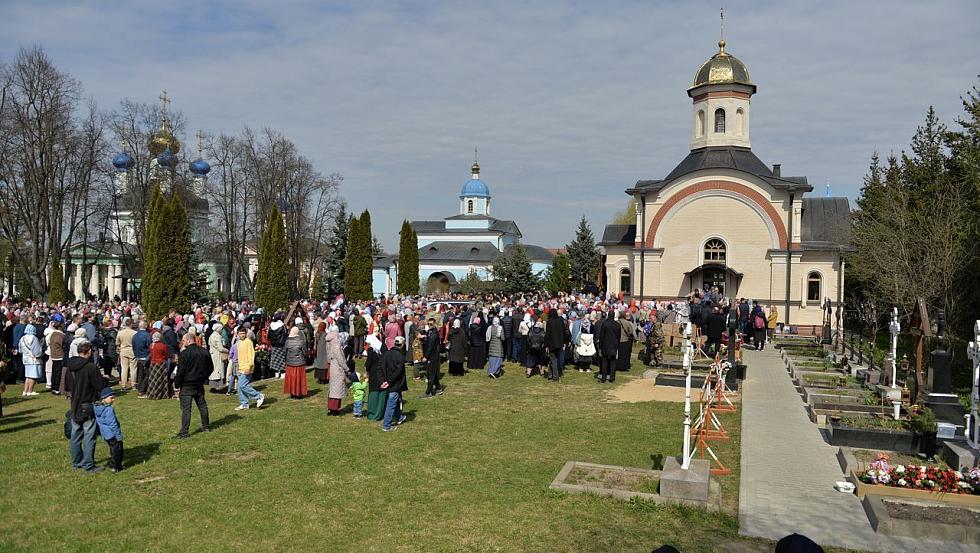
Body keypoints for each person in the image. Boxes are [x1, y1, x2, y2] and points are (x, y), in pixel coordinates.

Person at [67, 342, 105, 472]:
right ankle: (88, 465)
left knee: (75, 434)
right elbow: (99, 386)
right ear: (88, 352)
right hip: (88, 403)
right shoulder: (90, 367)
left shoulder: (70, 367)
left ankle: (77, 462)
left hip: (75, 404)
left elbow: (67, 385)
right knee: (89, 435)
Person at [174, 334, 211, 439]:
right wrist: (204, 377)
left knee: (186, 409)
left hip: (187, 385)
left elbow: (180, 371)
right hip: (199, 383)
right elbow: (210, 367)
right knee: (202, 406)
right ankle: (206, 427)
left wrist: (177, 384)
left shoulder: (185, 354)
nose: (182, 342)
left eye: (183, 340)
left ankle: (184, 432)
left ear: (188, 341)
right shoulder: (204, 351)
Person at [234, 326, 265, 410]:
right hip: (240, 367)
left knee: (243, 385)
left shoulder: (248, 342)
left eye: (244, 333)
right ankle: (244, 403)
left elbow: (251, 355)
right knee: (240, 387)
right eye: (240, 334)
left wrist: (249, 366)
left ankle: (258, 396)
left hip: (247, 367)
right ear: (238, 334)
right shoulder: (239, 342)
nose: (242, 335)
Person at [94, 387, 124, 472]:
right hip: (112, 434)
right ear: (104, 398)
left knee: (112, 448)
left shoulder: (97, 407)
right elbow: (112, 423)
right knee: (117, 450)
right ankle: (115, 466)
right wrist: (118, 435)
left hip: (105, 434)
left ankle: (114, 464)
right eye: (111, 398)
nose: (113, 400)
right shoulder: (108, 409)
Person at [381, 336, 408, 432]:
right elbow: (398, 372)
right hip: (395, 383)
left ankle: (399, 417)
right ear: (402, 344)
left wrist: (385, 380)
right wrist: (389, 381)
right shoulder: (400, 356)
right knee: (391, 403)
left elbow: (382, 367)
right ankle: (386, 425)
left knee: (397, 400)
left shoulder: (387, 354)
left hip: (389, 381)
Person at [324, 326, 349, 415]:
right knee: (337, 389)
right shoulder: (336, 342)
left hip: (332, 365)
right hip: (337, 367)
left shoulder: (328, 341)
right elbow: (340, 357)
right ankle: (334, 409)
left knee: (332, 388)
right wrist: (346, 368)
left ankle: (331, 409)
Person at [364, 335, 387, 421]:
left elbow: (368, 364)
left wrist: (367, 369)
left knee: (374, 395)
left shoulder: (371, 350)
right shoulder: (382, 348)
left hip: (374, 375)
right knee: (381, 395)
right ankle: (380, 413)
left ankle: (373, 414)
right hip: (382, 374)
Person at [283, 326, 308, 399]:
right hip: (299, 362)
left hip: (290, 362)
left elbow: (285, 352)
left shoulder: (287, 341)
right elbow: (305, 352)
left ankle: (292, 393)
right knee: (298, 378)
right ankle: (298, 393)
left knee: (292, 378)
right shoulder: (301, 341)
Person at [19, 324, 43, 396]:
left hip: (26, 359)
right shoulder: (34, 338)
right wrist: (40, 355)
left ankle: (25, 391)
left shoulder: (22, 338)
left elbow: (20, 350)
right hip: (34, 360)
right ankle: (30, 391)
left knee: (28, 376)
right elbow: (37, 351)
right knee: (33, 376)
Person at [596, 311, 619, 383]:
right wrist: (617, 344)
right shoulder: (617, 325)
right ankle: (612, 377)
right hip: (614, 345)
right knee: (613, 361)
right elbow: (619, 336)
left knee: (604, 361)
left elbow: (601, 336)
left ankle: (603, 378)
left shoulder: (604, 324)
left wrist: (600, 346)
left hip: (605, 345)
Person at [422, 320, 443, 395]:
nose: (429, 325)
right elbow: (427, 341)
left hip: (433, 356)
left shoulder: (434, 333)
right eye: (428, 324)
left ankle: (429, 391)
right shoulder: (429, 332)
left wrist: (426, 357)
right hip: (431, 355)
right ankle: (438, 388)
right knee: (433, 373)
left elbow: (430, 346)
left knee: (430, 374)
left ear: (434, 324)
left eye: (431, 324)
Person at [146, 332, 170, 400]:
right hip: (161, 363)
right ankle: (162, 394)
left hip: (153, 364)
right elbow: (165, 355)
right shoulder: (163, 346)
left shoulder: (151, 345)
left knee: (153, 380)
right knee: (161, 380)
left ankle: (152, 393)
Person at [116, 318, 137, 390]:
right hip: (132, 350)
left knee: (124, 368)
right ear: (131, 324)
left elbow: (117, 343)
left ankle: (123, 385)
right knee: (133, 368)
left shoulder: (120, 332)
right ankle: (133, 384)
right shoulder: (134, 333)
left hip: (123, 350)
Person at [132, 321, 152, 398]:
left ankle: (140, 390)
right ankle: (142, 390)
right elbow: (150, 347)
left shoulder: (135, 336)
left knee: (140, 374)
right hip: (145, 357)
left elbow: (133, 346)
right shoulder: (147, 335)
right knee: (147, 374)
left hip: (138, 357)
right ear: (145, 326)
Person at [207, 323, 228, 393]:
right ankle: (215, 387)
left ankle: (215, 387)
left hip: (214, 354)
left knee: (216, 369)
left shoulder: (212, 335)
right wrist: (227, 350)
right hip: (217, 354)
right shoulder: (217, 336)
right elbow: (220, 348)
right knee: (218, 370)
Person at [544, 309, 564, 381]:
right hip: (559, 343)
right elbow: (563, 332)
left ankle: (555, 376)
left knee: (553, 359)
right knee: (553, 359)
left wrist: (546, 345)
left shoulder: (549, 322)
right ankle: (550, 374)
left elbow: (547, 334)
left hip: (552, 343)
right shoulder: (560, 321)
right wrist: (564, 342)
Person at [47, 321, 66, 395]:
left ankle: (54, 387)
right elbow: (62, 345)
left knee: (54, 372)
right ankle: (57, 388)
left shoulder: (53, 334)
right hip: (59, 355)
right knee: (58, 373)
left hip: (54, 355)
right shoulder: (60, 335)